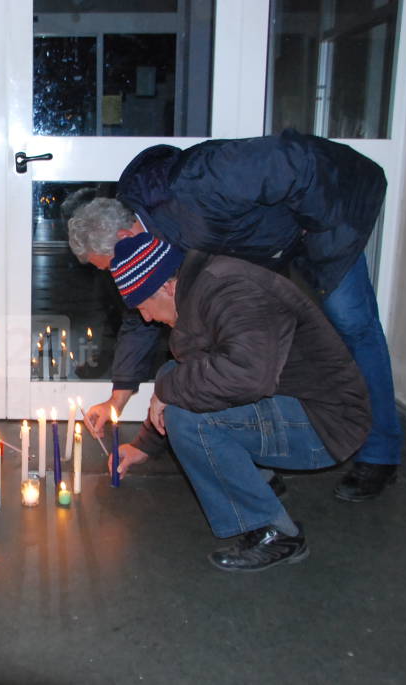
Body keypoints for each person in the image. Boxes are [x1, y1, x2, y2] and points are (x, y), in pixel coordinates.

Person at [69, 130, 401, 502]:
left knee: (352, 321)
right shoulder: (148, 241)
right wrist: (119, 398)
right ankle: (257, 459)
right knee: (240, 353)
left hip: (334, 207)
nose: (118, 277)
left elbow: (290, 160)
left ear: (126, 233)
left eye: (113, 266)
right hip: (269, 247)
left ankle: (380, 454)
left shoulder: (197, 181)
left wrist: (310, 230)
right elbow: (141, 311)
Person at [108, 232, 371, 571]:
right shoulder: (201, 290)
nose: (146, 318)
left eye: (143, 306)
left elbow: (247, 375)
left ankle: (274, 532)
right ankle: (258, 481)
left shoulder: (233, 291)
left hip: (326, 424)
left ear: (166, 287)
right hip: (295, 403)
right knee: (176, 377)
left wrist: (168, 390)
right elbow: (192, 371)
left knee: (190, 419)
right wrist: (145, 444)